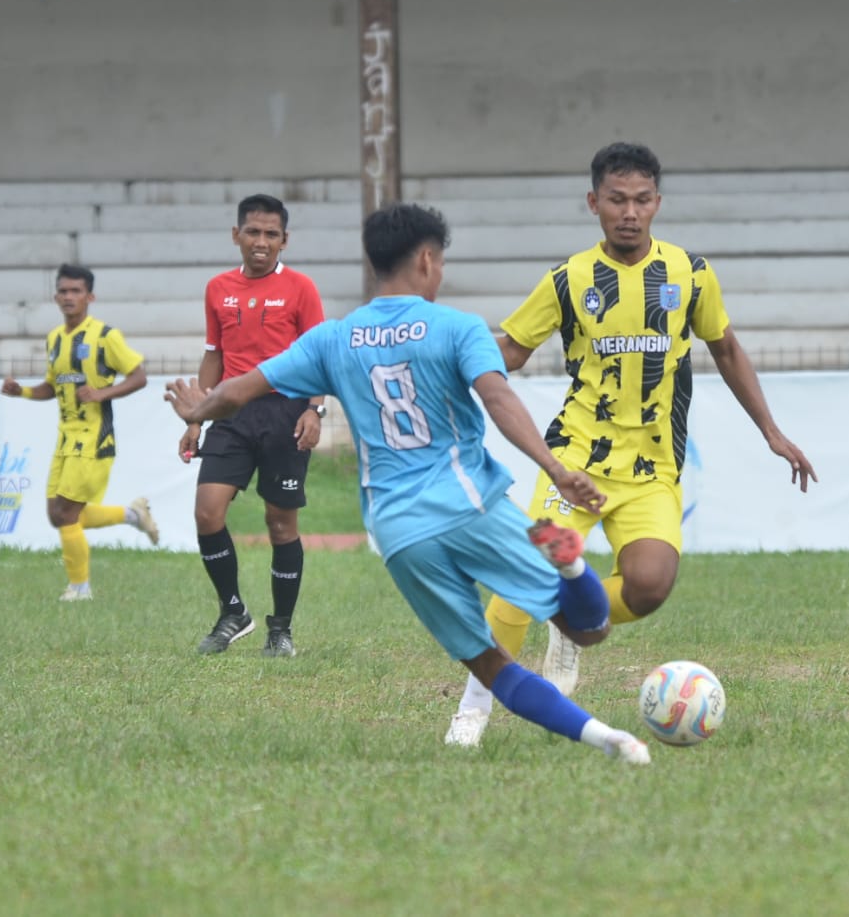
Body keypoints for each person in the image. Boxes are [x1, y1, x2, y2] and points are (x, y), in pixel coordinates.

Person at [164, 202, 651, 765]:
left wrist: (198, 413)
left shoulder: (334, 338)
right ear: (426, 259)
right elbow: (498, 398)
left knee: (490, 664)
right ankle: (569, 566)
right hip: (468, 504)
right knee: (586, 628)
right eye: (440, 262)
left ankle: (609, 741)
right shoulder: (457, 327)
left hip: (398, 532)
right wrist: (555, 467)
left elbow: (239, 388)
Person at [446, 141, 817, 747]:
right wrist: (454, 393)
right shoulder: (568, 280)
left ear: (658, 204)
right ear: (593, 203)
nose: (630, 212)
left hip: (651, 470)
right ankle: (473, 708)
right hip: (574, 464)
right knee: (523, 576)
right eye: (617, 199)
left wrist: (773, 433)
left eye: (642, 200)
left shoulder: (689, 274)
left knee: (650, 585)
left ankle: (569, 624)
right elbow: (508, 352)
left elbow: (725, 349)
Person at [179, 195, 326, 657]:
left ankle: (280, 631)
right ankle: (233, 612)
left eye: (271, 234)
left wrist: (314, 411)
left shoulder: (302, 288)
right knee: (207, 513)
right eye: (253, 232)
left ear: (284, 241)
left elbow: (320, 354)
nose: (261, 242)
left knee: (280, 523)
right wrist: (196, 418)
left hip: (285, 412)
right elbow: (214, 355)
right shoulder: (217, 288)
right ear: (236, 235)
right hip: (230, 411)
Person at [2, 263, 160, 601]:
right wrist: (23, 392)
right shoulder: (55, 339)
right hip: (65, 437)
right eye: (63, 291)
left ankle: (80, 588)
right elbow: (52, 386)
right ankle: (133, 514)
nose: (69, 296)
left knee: (65, 513)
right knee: (57, 515)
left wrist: (101, 393)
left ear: (90, 296)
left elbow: (138, 376)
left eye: (76, 291)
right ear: (55, 296)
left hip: (94, 438)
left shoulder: (105, 336)